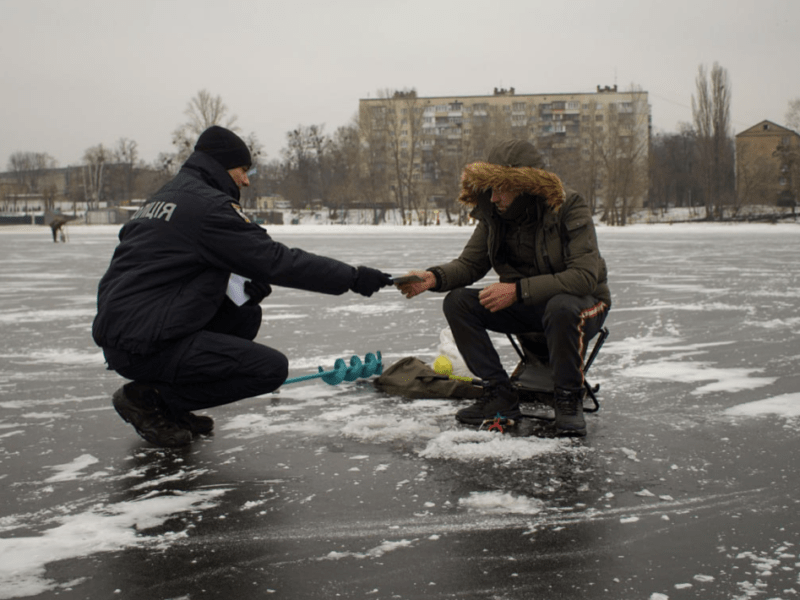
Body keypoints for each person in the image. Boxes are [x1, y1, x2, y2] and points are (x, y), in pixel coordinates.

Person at [92, 125, 393, 447]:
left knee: (244, 316)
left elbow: (174, 271)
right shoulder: (207, 206)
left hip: (131, 331)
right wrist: (353, 277)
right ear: (221, 166)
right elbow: (276, 260)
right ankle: (153, 400)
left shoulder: (167, 197)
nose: (247, 180)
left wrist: (239, 288)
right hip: (144, 341)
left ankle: (168, 404)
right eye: (243, 170)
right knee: (269, 369)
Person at [396, 139, 610, 436]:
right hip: (529, 307)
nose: (494, 197)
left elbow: (584, 277)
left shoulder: (569, 206)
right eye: (490, 188)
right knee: (458, 302)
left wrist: (517, 290)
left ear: (527, 185)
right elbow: (470, 264)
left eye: (501, 188)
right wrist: (434, 277)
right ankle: (499, 394)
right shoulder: (493, 215)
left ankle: (568, 399)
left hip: (583, 307)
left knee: (561, 306)